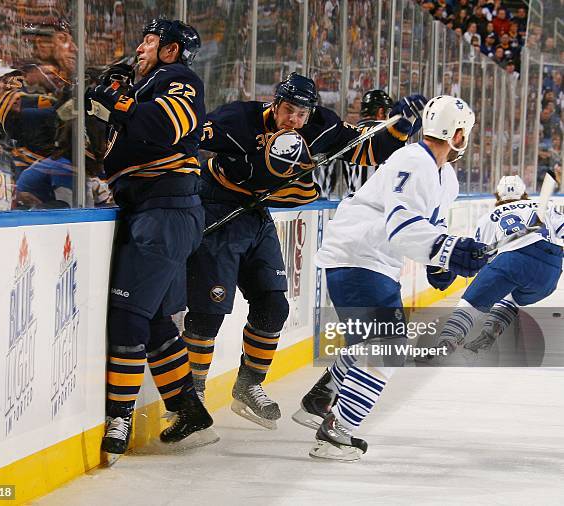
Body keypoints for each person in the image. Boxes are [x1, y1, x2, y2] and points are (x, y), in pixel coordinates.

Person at [183, 71, 428, 429]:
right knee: (209, 310)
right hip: (219, 209)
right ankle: (194, 395)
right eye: (288, 111)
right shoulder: (238, 119)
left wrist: (401, 126)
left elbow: (367, 149)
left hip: (254, 215)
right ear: (275, 104)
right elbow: (188, 138)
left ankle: (249, 385)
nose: (294, 120)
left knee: (274, 305)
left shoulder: (320, 126)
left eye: (301, 114)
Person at [293, 95, 489, 461]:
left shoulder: (445, 175)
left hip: (372, 261)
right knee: (387, 349)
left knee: (370, 345)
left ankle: (319, 400)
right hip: (359, 257)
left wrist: (442, 264)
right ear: (458, 134)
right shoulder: (414, 161)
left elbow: (430, 226)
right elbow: (402, 228)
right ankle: (337, 431)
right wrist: (448, 249)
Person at [85, 18, 217, 464]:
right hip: (152, 209)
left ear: (171, 50)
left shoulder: (180, 80)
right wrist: (103, 102)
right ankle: (188, 410)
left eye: (149, 40)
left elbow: (163, 128)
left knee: (127, 315)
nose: (139, 47)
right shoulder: (146, 87)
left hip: (165, 208)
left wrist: (119, 100)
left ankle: (119, 417)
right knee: (158, 321)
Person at [436, 175, 563, 356]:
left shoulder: (488, 217)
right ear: (524, 193)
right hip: (551, 270)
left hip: (514, 260)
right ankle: (489, 335)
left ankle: (443, 345)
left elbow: (482, 257)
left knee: (470, 303)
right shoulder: (544, 206)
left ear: (497, 195)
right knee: (511, 298)